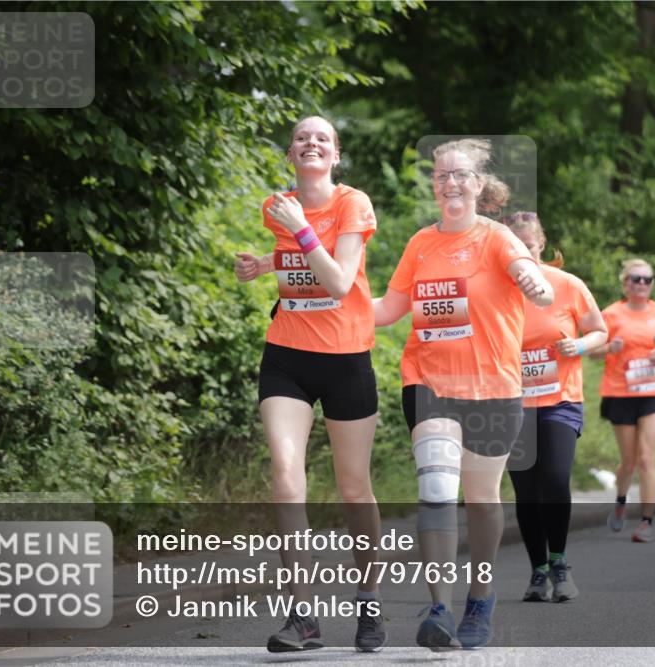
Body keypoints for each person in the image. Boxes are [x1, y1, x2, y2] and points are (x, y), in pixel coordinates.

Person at [373, 138, 553, 650]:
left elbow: (526, 272)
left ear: (478, 185)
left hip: (493, 384)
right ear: (435, 186)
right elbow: (389, 309)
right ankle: (440, 608)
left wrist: (532, 281)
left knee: (481, 497)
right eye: (441, 176)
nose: (450, 183)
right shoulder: (420, 244)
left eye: (460, 175)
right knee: (434, 486)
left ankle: (481, 594)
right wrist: (336, 305)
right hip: (429, 380)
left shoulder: (497, 238)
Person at [234, 116, 386, 653]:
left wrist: (298, 231)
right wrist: (266, 263)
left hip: (347, 359)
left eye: (323, 137)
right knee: (285, 474)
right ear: (291, 154)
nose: (312, 142)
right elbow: (301, 262)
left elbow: (341, 280)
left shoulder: (353, 203)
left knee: (353, 489)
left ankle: (368, 600)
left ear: (336, 154)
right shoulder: (278, 206)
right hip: (287, 357)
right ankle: (302, 615)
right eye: (302, 137)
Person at [503, 211, 607, 602]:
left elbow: (600, 330)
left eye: (528, 246)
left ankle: (560, 563)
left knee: (555, 479)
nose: (523, 255)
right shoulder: (497, 288)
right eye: (515, 247)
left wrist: (579, 345)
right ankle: (537, 571)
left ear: (541, 244)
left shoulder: (566, 285)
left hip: (560, 399)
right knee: (526, 491)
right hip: (512, 404)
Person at [591, 259, 655, 542]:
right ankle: (621, 500)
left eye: (647, 280)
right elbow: (592, 352)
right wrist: (610, 347)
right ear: (625, 283)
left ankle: (646, 521)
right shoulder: (611, 314)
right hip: (620, 393)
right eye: (636, 279)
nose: (641, 284)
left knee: (647, 458)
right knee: (629, 462)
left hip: (653, 392)